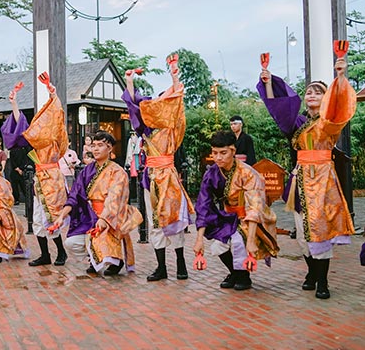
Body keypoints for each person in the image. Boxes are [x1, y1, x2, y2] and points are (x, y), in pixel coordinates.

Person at [258, 57, 356, 299]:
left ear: (325, 99)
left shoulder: (329, 123)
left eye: (318, 92)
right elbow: (278, 110)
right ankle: (312, 273)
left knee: (319, 232)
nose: (312, 95)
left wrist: (341, 76)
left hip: (323, 182)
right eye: (309, 92)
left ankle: (322, 281)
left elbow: (340, 106)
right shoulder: (298, 123)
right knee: (302, 236)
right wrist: (268, 82)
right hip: (300, 181)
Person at [122, 59, 194, 281]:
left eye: (166, 100)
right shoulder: (146, 130)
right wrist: (129, 81)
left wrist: (174, 77)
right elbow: (134, 105)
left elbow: (178, 104)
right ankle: (161, 267)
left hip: (169, 178)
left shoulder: (173, 130)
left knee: (172, 218)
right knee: (154, 221)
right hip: (150, 178)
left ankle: (181, 263)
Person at [193, 131, 279, 291]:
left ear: (233, 151)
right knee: (218, 246)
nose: (218, 157)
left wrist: (252, 239)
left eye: (223, 153)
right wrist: (199, 239)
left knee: (240, 242)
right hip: (228, 217)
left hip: (251, 218)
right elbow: (203, 206)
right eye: (215, 153)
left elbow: (255, 207)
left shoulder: (248, 174)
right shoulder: (211, 173)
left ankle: (244, 277)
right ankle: (235, 273)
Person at [53, 131, 143, 276]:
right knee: (71, 243)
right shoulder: (87, 170)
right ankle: (94, 259)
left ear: (109, 148)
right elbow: (75, 194)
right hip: (90, 216)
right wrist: (61, 216)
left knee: (100, 237)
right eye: (93, 145)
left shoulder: (118, 172)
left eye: (100, 145)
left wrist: (104, 218)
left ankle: (116, 260)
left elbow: (115, 198)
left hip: (111, 217)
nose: (95, 149)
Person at [2, 76, 69, 267]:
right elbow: (20, 127)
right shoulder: (35, 140)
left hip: (53, 179)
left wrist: (53, 94)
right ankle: (45, 254)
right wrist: (14, 103)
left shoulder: (55, 138)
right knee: (38, 219)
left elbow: (58, 115)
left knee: (51, 216)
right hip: (40, 179)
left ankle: (61, 252)